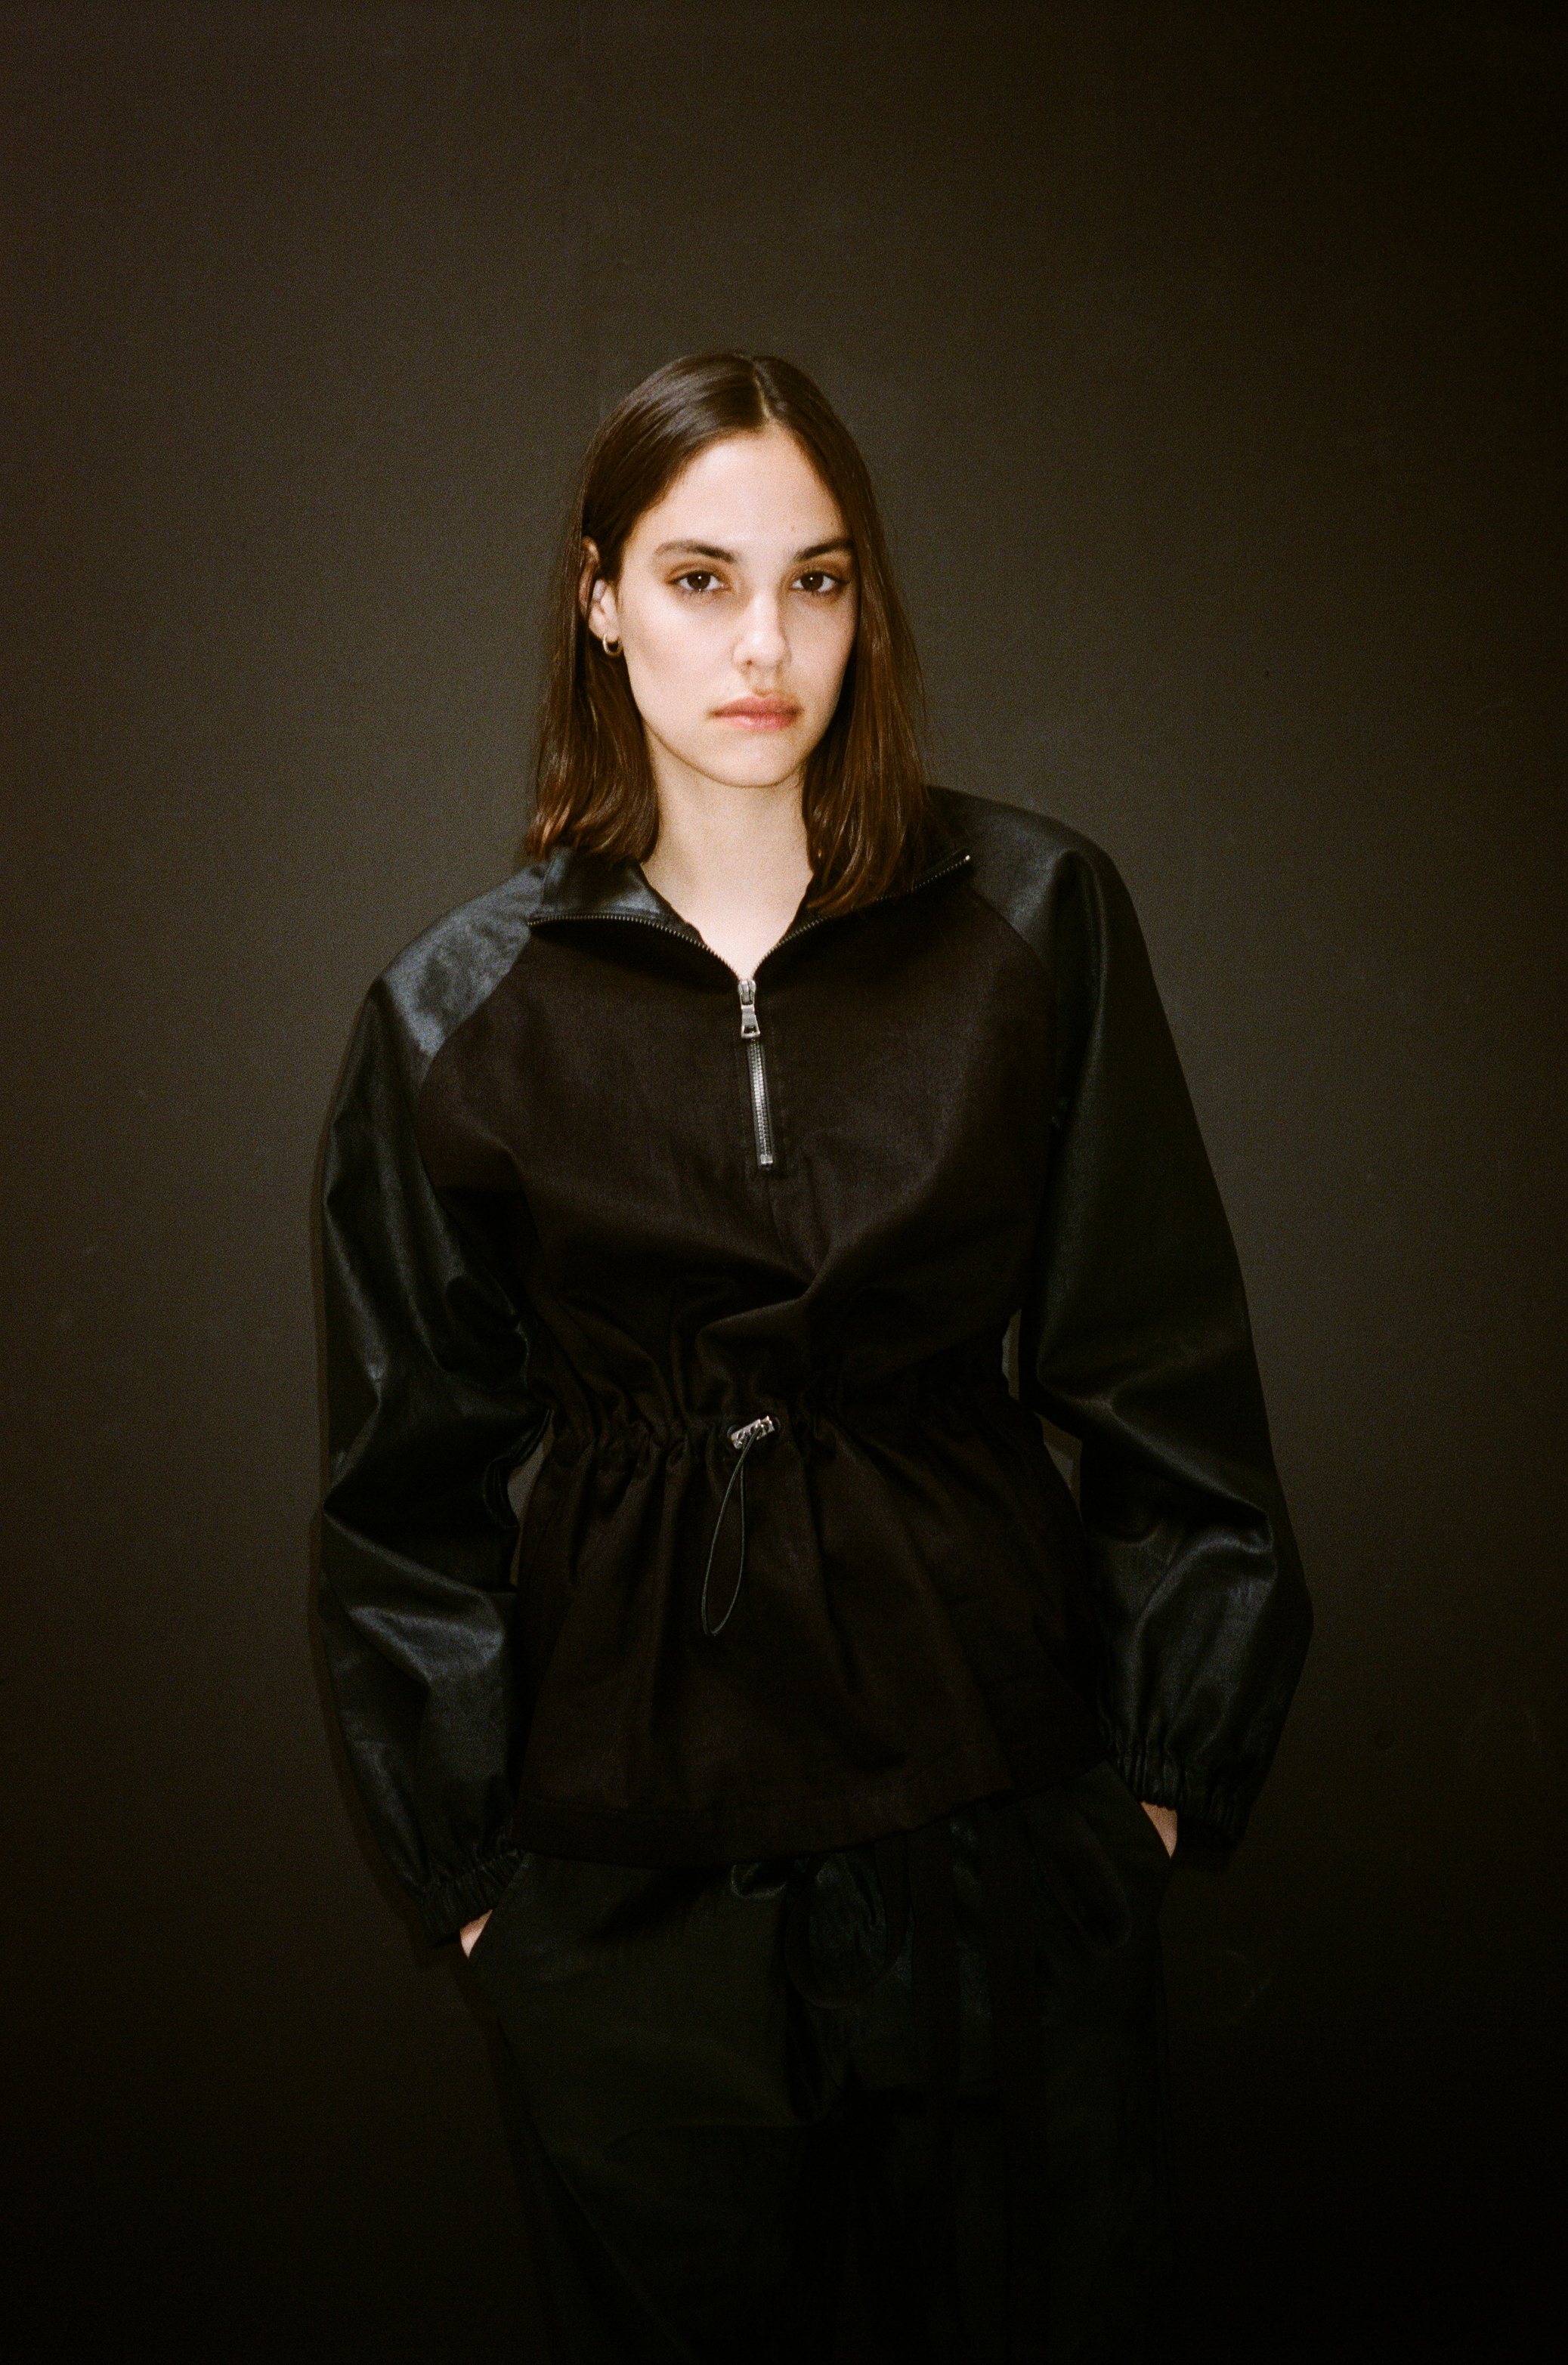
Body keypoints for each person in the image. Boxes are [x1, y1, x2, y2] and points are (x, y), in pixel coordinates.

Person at [317, 351, 1310, 2360]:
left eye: (817, 580)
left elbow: (1161, 1373)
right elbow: (402, 1492)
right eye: (700, 579)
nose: (763, 645)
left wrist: (1153, 1790)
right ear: (599, 597)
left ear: (867, 605)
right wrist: (485, 1885)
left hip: (998, 1825)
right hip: (629, 1875)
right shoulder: (453, 1014)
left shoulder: (1032, 920)